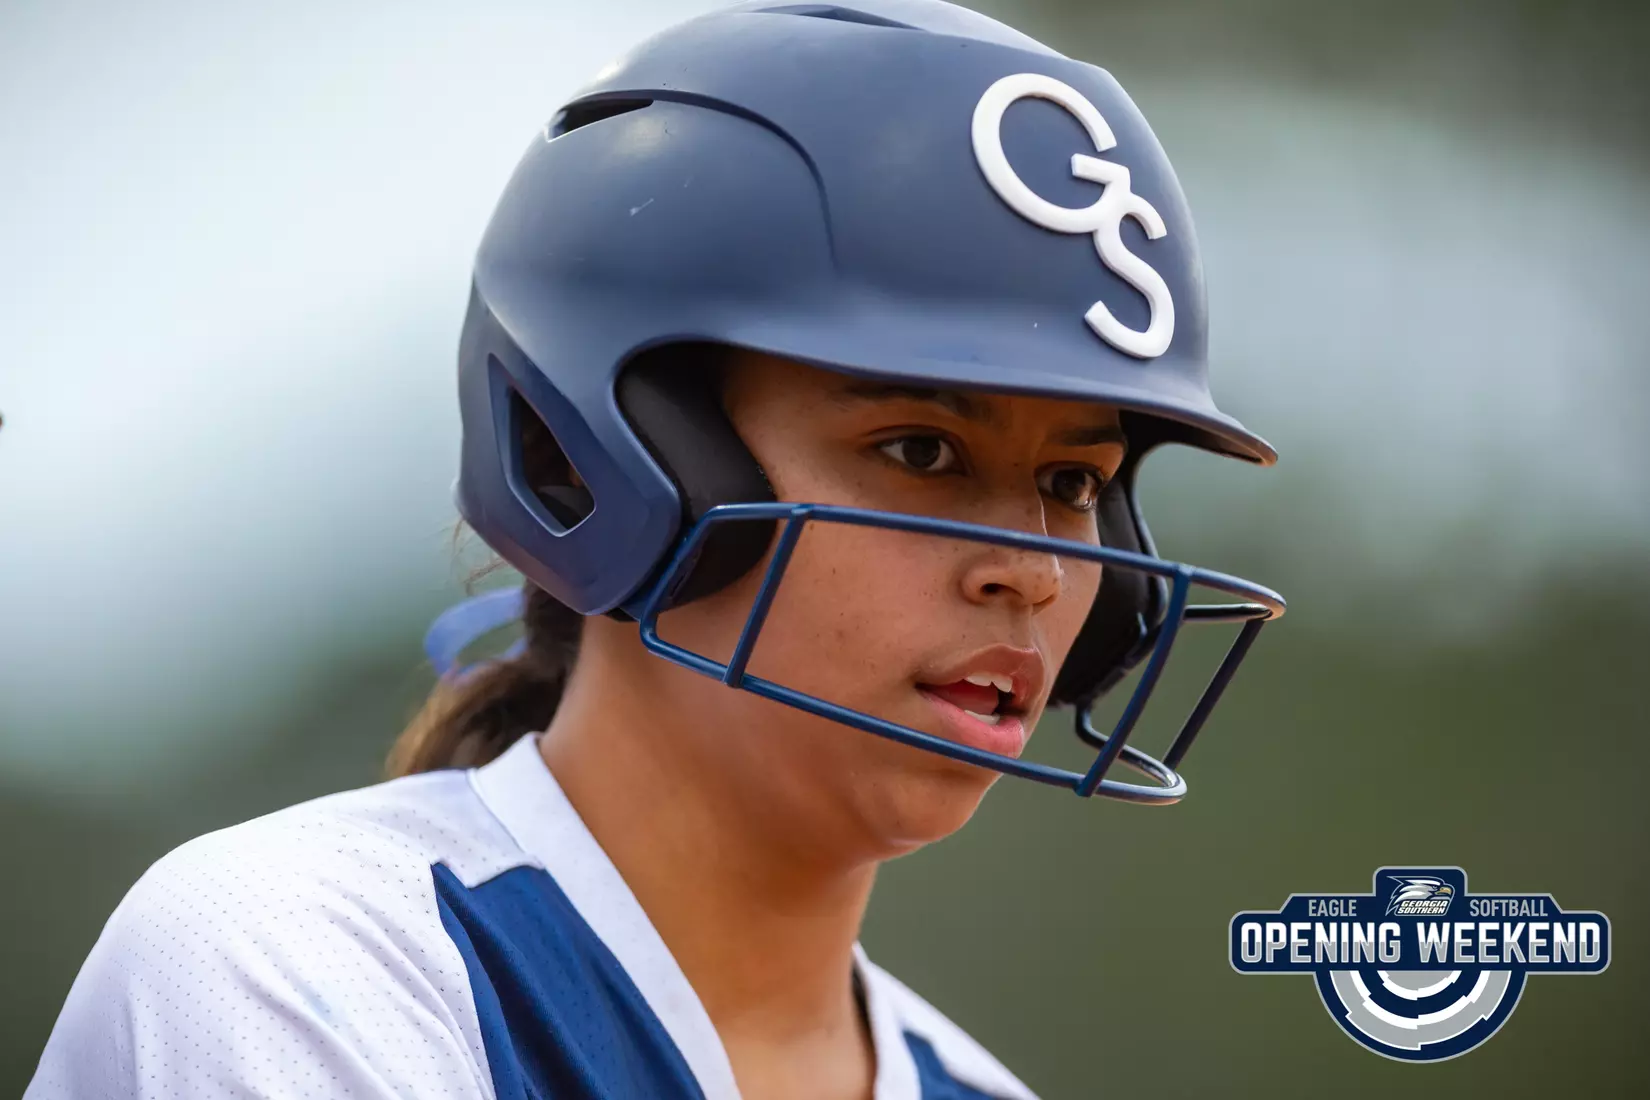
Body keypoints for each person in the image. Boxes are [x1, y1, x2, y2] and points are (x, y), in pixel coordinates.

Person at [27, 2, 1284, 1097]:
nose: (1037, 571)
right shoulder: (302, 961)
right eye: (921, 449)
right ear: (593, 456)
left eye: (1072, 482)